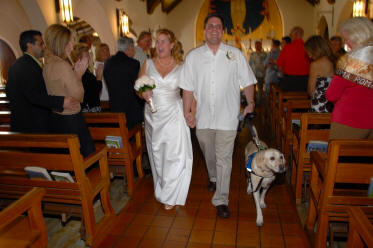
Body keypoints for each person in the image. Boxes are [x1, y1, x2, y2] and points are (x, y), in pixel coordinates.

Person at [180, 13, 256, 218]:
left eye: (218, 26)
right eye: (210, 26)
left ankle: (221, 199)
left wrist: (250, 102)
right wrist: (187, 112)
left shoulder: (235, 54)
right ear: (204, 31)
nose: (214, 28)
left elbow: (248, 81)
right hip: (202, 117)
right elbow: (187, 88)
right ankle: (212, 176)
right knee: (208, 152)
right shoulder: (193, 57)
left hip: (227, 117)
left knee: (225, 159)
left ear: (223, 31)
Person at [139, 29, 193, 210]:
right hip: (152, 115)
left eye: (163, 41)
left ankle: (170, 195)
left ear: (172, 45)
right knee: (157, 154)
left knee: (173, 155)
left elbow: (188, 92)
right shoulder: (147, 64)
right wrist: (143, 93)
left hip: (174, 114)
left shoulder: (181, 66)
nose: (159, 45)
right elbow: (139, 87)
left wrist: (190, 112)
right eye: (158, 41)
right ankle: (162, 187)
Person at [6, 30, 78, 133]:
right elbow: (34, 95)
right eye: (41, 44)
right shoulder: (28, 66)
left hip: (23, 124)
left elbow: (10, 93)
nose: (44, 47)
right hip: (34, 126)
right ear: (29, 45)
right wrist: (61, 101)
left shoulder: (17, 64)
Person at [43, 24, 95, 157]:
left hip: (56, 117)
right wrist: (78, 74)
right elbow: (78, 95)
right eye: (68, 42)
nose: (71, 46)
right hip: (71, 119)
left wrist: (73, 73)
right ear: (60, 43)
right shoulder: (62, 65)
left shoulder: (47, 64)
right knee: (84, 156)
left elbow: (59, 88)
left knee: (66, 158)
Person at [326, 17, 373, 139]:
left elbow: (331, 95)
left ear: (357, 37)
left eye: (347, 40)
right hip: (370, 121)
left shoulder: (350, 61)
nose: (346, 45)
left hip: (348, 119)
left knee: (339, 157)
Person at [103, 37, 143, 129]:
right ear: (129, 48)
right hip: (131, 110)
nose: (134, 51)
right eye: (133, 48)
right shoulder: (134, 63)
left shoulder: (108, 63)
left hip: (115, 108)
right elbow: (137, 86)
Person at [304, 35, 335, 113]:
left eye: (309, 52)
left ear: (315, 49)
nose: (309, 56)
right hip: (333, 105)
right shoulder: (335, 60)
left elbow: (311, 91)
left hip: (320, 105)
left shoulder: (315, 64)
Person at [71, 43, 102, 112]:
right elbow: (93, 92)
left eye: (88, 55)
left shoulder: (86, 71)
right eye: (86, 56)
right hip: (89, 111)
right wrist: (99, 77)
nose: (89, 58)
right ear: (78, 59)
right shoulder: (81, 73)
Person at [277, 26, 310, 91]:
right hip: (305, 82)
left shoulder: (287, 48)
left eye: (290, 34)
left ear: (295, 34)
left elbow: (280, 67)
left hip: (289, 81)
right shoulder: (308, 48)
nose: (290, 36)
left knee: (287, 99)